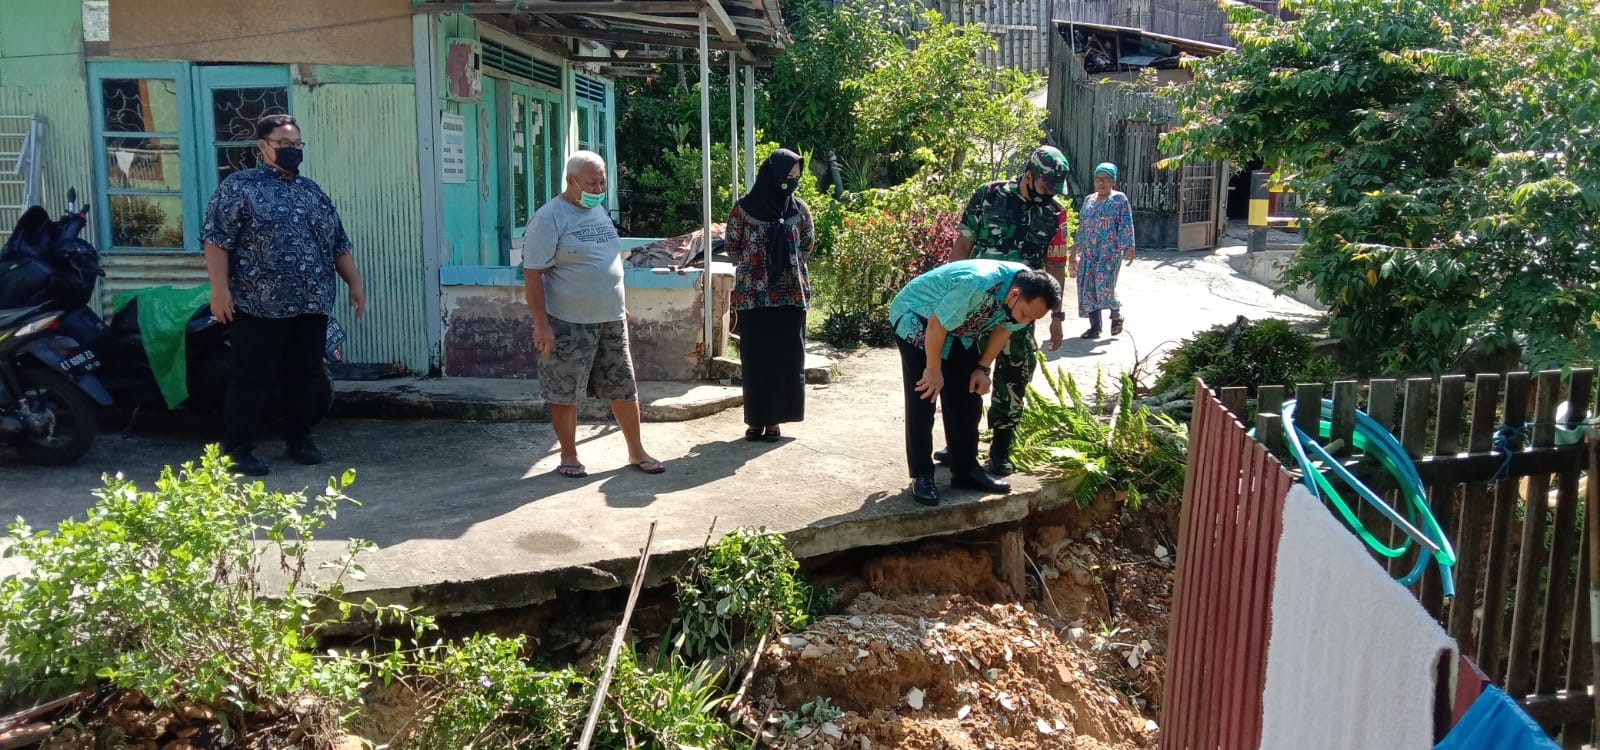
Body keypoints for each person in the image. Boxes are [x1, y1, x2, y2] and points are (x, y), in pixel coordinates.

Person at [202, 113, 365, 477]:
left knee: (305, 375)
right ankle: (239, 450)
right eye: (284, 144)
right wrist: (220, 290)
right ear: (263, 146)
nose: (292, 151)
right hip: (259, 304)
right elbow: (216, 240)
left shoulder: (312, 192)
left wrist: (355, 283)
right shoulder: (239, 187)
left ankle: (299, 438)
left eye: (297, 145)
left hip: (312, 302)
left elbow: (338, 242)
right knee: (250, 377)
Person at [524, 150, 665, 478]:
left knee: (624, 385)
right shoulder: (549, 218)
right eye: (592, 182)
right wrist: (541, 324)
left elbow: (607, 261)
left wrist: (619, 304)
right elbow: (532, 274)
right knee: (564, 390)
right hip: (567, 322)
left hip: (611, 318)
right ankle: (569, 455)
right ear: (571, 181)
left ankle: (636, 451)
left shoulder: (597, 209)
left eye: (602, 181)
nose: (599, 188)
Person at [944, 145, 1072, 477]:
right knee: (964, 371)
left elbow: (1057, 266)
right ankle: (961, 442)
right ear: (1029, 175)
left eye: (1055, 189)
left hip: (1021, 310)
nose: (1049, 195)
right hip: (977, 303)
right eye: (1046, 186)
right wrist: (950, 290)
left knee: (1014, 374)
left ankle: (1001, 448)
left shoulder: (1055, 213)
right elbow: (962, 245)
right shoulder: (989, 195)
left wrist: (1056, 316)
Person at [890, 259, 1062, 506]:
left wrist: (982, 369)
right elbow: (936, 325)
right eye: (1025, 314)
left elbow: (1006, 327)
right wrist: (933, 368)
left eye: (1031, 319)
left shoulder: (1025, 291)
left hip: (959, 327)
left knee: (969, 395)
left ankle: (965, 470)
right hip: (918, 317)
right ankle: (922, 475)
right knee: (925, 394)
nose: (1025, 321)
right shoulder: (977, 283)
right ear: (1014, 295)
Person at [725, 149, 815, 442]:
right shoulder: (743, 209)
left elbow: (807, 245)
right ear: (772, 175)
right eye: (787, 177)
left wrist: (787, 268)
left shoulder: (799, 210)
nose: (791, 182)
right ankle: (756, 419)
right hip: (753, 296)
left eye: (795, 178)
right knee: (756, 360)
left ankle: (775, 420)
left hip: (790, 296)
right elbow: (733, 245)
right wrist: (758, 268)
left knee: (785, 359)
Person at [1068, 162, 1136, 338]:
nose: (1101, 183)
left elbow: (1125, 223)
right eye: (1098, 179)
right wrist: (1074, 252)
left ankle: (1116, 315)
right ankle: (1095, 327)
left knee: (1103, 282)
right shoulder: (1088, 200)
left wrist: (1129, 246)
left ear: (1113, 181)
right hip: (1089, 253)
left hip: (1109, 252)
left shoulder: (1119, 199)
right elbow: (1082, 228)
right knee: (1086, 286)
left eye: (1106, 179)